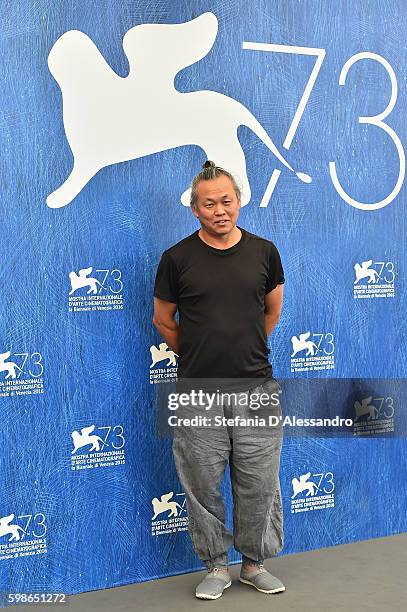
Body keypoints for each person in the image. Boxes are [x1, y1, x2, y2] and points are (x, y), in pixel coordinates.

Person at [152, 160, 286, 600]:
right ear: (195, 209)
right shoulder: (176, 258)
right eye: (209, 204)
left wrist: (241, 350)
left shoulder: (264, 252)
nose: (219, 210)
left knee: (259, 480)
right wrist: (194, 353)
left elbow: (271, 313)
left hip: (256, 391)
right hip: (197, 394)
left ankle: (254, 563)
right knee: (202, 482)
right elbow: (162, 318)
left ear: (239, 201)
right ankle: (215, 567)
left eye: (226, 201)